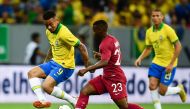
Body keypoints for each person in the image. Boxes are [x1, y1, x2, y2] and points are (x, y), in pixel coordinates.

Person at [75, 20, 144, 109]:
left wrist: (86, 69)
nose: (93, 33)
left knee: (124, 107)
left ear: (101, 30)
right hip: (106, 77)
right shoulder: (112, 39)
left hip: (114, 78)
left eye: (95, 30)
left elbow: (105, 62)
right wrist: (102, 56)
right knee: (84, 91)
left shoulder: (104, 44)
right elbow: (113, 56)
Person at [27, 10, 89, 108]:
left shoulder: (64, 33)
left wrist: (86, 65)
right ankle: (42, 101)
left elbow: (81, 46)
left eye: (50, 24)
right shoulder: (48, 31)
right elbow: (52, 47)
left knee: (46, 86)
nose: (49, 27)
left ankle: (73, 100)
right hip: (54, 62)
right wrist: (46, 62)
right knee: (32, 73)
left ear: (57, 20)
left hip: (66, 66)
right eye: (46, 25)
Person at [134, 9, 187, 109]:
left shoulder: (168, 29)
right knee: (152, 85)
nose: (155, 18)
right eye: (153, 16)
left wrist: (171, 64)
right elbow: (148, 48)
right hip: (157, 62)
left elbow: (178, 46)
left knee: (162, 91)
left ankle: (179, 89)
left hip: (169, 64)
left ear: (162, 17)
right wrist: (139, 58)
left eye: (157, 15)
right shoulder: (149, 32)